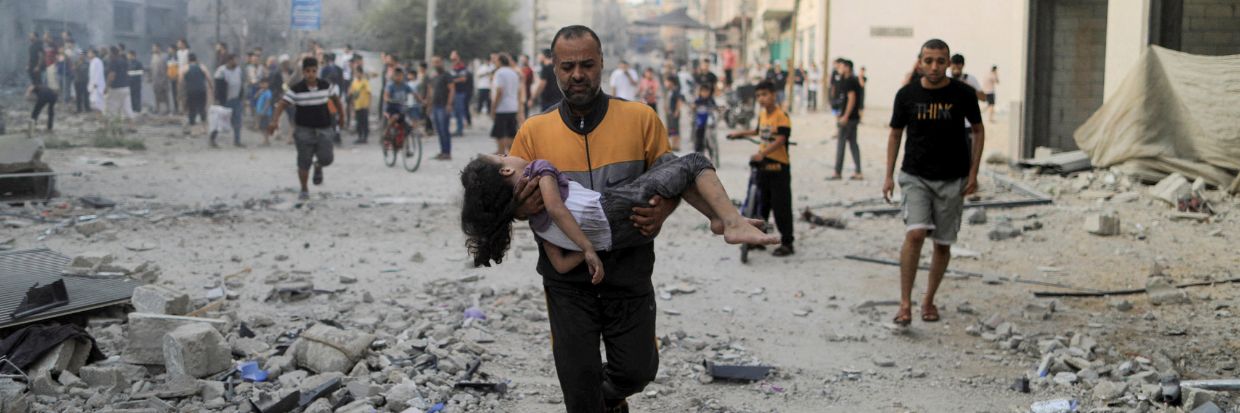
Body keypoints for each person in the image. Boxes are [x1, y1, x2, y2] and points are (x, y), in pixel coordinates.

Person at [507, 25, 684, 413]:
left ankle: (605, 399)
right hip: (567, 281)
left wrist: (663, 212)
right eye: (567, 66)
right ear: (553, 68)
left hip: (630, 269)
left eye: (587, 64)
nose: (577, 74)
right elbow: (514, 204)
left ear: (602, 63)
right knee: (577, 382)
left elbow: (675, 180)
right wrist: (520, 206)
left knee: (637, 371)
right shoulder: (533, 132)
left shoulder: (641, 119)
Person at [461, 152, 778, 278]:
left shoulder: (536, 223)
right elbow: (558, 207)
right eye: (503, 154)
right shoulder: (538, 170)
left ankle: (718, 218)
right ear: (506, 168)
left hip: (617, 237)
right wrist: (587, 246)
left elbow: (558, 262)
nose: (509, 152)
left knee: (667, 160)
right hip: (616, 208)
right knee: (694, 162)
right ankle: (731, 222)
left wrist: (594, 245)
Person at [883, 39, 985, 327]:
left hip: (953, 178)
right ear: (920, 62)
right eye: (928, 60)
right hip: (915, 175)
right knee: (915, 234)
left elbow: (978, 131)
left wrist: (974, 173)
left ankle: (928, 300)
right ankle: (905, 304)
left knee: (942, 244)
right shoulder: (906, 95)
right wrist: (888, 175)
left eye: (941, 61)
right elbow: (895, 134)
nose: (935, 66)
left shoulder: (963, 94)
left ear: (949, 62)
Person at [726, 80, 796, 257]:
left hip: (779, 168)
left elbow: (781, 139)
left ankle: (787, 243)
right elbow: (757, 131)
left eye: (764, 95)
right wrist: (739, 134)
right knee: (761, 205)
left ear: (773, 95)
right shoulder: (763, 114)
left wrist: (763, 154)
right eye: (758, 96)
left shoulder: (782, 116)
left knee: (781, 207)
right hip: (764, 168)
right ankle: (760, 239)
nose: (761, 99)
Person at [268, 57, 344, 201]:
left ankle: (319, 165)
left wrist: (342, 116)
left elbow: (336, 100)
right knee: (304, 161)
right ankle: (304, 188)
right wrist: (274, 121)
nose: (311, 74)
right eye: (308, 71)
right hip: (304, 129)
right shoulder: (296, 90)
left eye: (313, 71)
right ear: (303, 72)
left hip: (324, 128)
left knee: (327, 158)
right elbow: (282, 104)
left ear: (317, 71)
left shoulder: (326, 86)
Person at [829, 60, 862, 181]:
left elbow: (851, 99)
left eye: (841, 66)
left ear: (847, 68)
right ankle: (858, 171)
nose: (839, 68)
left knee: (841, 144)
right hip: (852, 117)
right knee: (853, 144)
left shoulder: (850, 81)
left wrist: (845, 116)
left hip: (849, 118)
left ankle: (837, 171)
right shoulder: (846, 80)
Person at [489, 53, 522, 155]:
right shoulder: (514, 73)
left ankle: (501, 153)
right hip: (513, 107)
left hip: (502, 107)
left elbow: (500, 91)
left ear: (500, 61)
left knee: (500, 133)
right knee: (511, 133)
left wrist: (493, 107)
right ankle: (511, 154)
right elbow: (518, 91)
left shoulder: (499, 73)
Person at [212, 53, 245, 147]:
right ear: (229, 60)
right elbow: (218, 87)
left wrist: (241, 96)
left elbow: (241, 83)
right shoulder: (221, 71)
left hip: (236, 99)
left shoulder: (238, 70)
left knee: (237, 121)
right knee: (219, 121)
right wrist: (217, 99)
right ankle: (213, 139)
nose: (237, 62)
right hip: (225, 100)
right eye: (235, 60)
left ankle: (237, 141)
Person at [427, 56, 455, 160]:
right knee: (439, 130)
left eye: (438, 62)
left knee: (444, 130)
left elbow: (452, 90)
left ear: (442, 62)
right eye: (434, 62)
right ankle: (443, 152)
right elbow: (430, 92)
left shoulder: (447, 75)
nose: (436, 64)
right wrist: (429, 105)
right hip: (435, 106)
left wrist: (449, 104)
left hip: (443, 106)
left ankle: (447, 153)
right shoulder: (433, 77)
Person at [104, 47, 134, 122]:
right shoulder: (124, 61)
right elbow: (128, 73)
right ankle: (132, 126)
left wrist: (106, 87)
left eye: (109, 53)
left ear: (112, 53)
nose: (108, 55)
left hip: (115, 88)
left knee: (111, 107)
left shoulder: (113, 62)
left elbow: (111, 75)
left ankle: (111, 126)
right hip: (125, 88)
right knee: (127, 107)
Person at [182, 53, 211, 129]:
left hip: (190, 91)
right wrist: (211, 87)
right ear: (196, 59)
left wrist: (180, 92)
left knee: (192, 108)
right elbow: (208, 78)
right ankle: (204, 125)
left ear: (188, 60)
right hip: (201, 90)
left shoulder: (185, 68)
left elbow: (180, 81)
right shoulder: (202, 67)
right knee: (202, 107)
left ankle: (192, 125)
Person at [382, 67, 413, 138]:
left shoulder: (405, 86)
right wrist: (388, 99)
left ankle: (404, 142)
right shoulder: (390, 85)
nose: (398, 77)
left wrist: (415, 102)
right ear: (393, 76)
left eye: (400, 75)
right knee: (395, 117)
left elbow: (412, 94)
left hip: (401, 107)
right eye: (397, 75)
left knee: (409, 125)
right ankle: (386, 131)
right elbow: (386, 96)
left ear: (402, 76)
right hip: (391, 107)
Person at [449, 50, 472, 136]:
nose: (453, 60)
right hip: (454, 92)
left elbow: (463, 79)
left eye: (454, 58)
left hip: (460, 93)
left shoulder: (462, 67)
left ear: (458, 58)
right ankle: (458, 128)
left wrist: (452, 81)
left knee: (459, 111)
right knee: (455, 112)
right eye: (452, 59)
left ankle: (460, 130)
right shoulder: (453, 68)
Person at [690, 84, 716, 155]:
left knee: (711, 134)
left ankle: (711, 148)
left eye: (707, 91)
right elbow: (693, 106)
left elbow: (716, 107)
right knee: (699, 135)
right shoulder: (698, 100)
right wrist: (693, 107)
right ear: (700, 92)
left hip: (710, 120)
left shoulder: (711, 100)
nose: (705, 93)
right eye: (703, 91)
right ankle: (698, 151)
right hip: (700, 120)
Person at [350, 71, 372, 144]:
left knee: (365, 122)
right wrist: (352, 105)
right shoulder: (354, 83)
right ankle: (360, 137)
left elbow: (369, 93)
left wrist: (369, 104)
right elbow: (352, 94)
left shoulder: (365, 82)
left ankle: (365, 137)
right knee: (358, 122)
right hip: (357, 105)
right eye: (357, 73)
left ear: (361, 74)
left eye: (359, 73)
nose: (358, 74)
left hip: (364, 105)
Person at [664, 76, 685, 151]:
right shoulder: (669, 91)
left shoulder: (676, 90)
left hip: (674, 113)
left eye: (667, 81)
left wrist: (677, 111)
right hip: (669, 113)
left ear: (671, 82)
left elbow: (679, 101)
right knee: (671, 129)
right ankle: (673, 145)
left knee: (676, 129)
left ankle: (677, 145)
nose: (665, 83)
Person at [151, 44, 170, 114]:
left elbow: (167, 67)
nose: (153, 50)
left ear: (158, 48)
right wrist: (150, 77)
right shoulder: (153, 56)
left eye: (154, 48)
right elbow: (152, 68)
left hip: (163, 79)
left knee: (164, 96)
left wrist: (165, 78)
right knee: (157, 95)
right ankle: (158, 109)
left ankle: (167, 109)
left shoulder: (165, 56)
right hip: (155, 80)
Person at [255, 79, 275, 145]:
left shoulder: (268, 92)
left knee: (265, 127)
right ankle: (266, 140)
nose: (263, 85)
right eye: (262, 84)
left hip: (266, 113)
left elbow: (268, 103)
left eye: (265, 83)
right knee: (262, 127)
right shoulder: (261, 91)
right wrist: (259, 92)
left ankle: (266, 140)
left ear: (268, 84)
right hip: (260, 111)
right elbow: (255, 97)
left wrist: (263, 111)